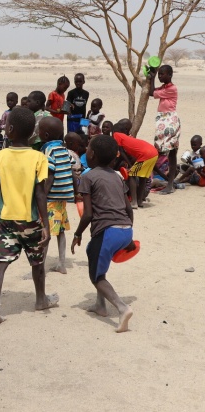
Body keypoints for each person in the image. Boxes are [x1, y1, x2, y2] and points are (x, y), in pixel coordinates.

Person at [0, 106, 59, 324]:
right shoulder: (39, 158)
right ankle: (40, 300)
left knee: (0, 262)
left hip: (7, 219)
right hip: (31, 220)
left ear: (8, 130)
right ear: (33, 134)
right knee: (37, 263)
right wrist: (45, 225)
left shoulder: (0, 156)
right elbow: (40, 194)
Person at [71, 134, 135, 333]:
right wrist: (130, 237)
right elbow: (129, 209)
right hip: (125, 228)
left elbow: (88, 214)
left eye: (88, 149)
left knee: (96, 276)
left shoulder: (87, 177)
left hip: (107, 231)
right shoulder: (117, 176)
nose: (86, 151)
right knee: (94, 253)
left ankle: (122, 307)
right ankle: (100, 305)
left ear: (93, 155)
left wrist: (77, 234)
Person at [39, 116, 75, 274]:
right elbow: (72, 169)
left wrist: (43, 194)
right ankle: (61, 262)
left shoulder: (49, 150)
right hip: (63, 197)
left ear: (45, 135)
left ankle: (40, 265)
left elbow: (50, 173)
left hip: (51, 198)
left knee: (45, 232)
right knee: (59, 230)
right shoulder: (64, 149)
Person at [149, 64, 181, 194]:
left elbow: (152, 92)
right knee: (161, 152)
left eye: (162, 74)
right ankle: (168, 181)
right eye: (159, 74)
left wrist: (151, 78)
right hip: (163, 121)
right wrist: (150, 77)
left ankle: (169, 185)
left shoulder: (172, 89)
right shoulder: (164, 87)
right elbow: (151, 90)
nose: (160, 76)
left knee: (171, 153)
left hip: (169, 122)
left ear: (170, 74)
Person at [112, 119, 158, 209]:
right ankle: (139, 201)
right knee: (142, 177)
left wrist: (130, 165)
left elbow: (121, 152)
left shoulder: (116, 135)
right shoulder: (125, 137)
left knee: (132, 174)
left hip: (146, 154)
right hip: (153, 153)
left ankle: (134, 202)